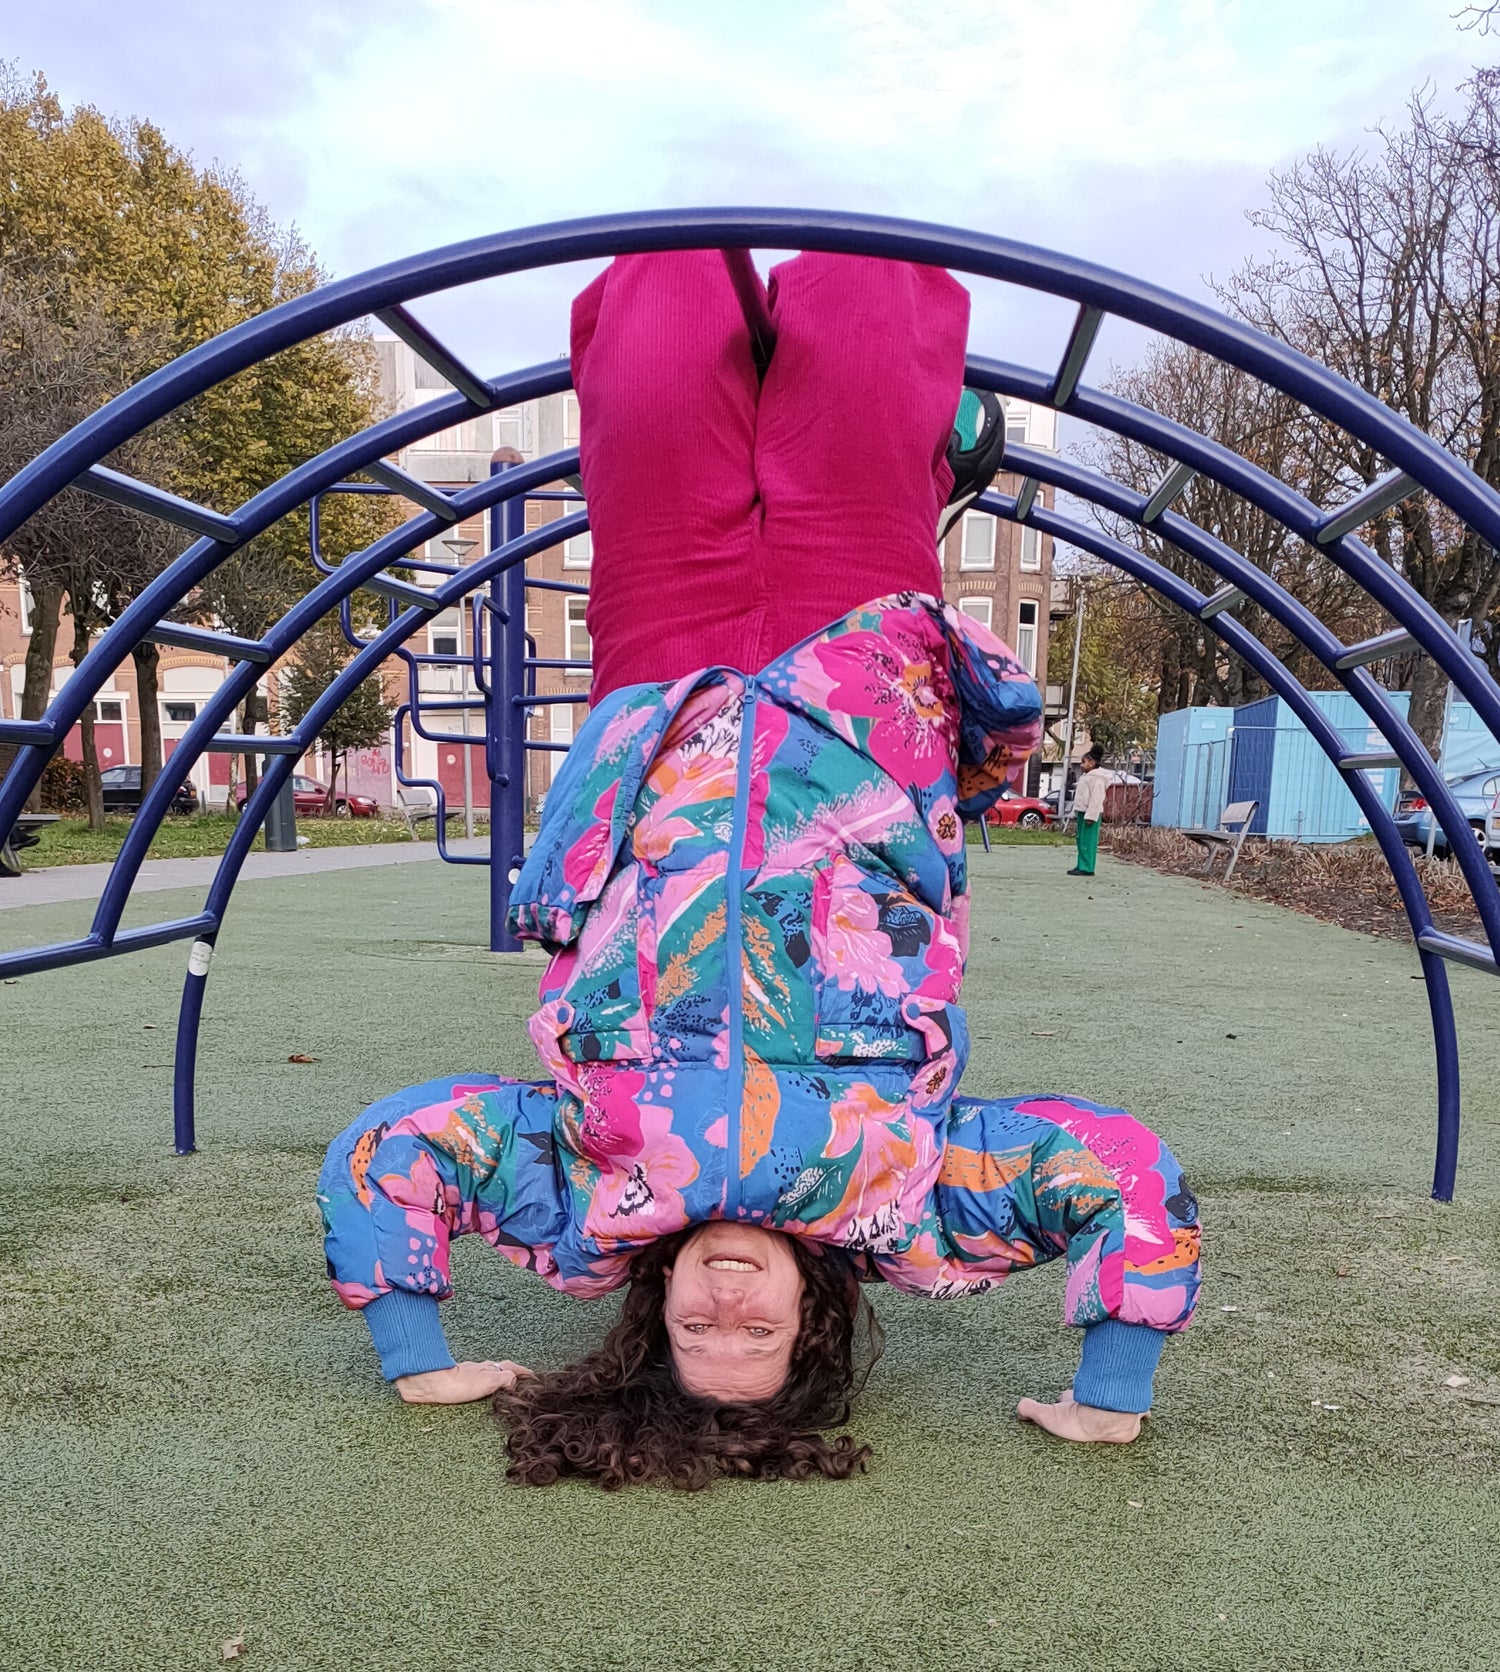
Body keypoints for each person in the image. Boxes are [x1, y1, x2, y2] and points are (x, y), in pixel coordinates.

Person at [319, 252, 1201, 1488]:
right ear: (815, 1315)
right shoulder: (909, 1209)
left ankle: (917, 432)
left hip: (664, 671)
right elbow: (1123, 1167)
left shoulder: (582, 1203)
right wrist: (1114, 1392)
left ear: (654, 1312)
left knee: (661, 320)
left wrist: (417, 1359)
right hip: (860, 679)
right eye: (759, 1331)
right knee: (863, 298)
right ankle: (928, 443)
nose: (729, 1301)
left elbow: (388, 1148)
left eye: (698, 1330)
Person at [1067, 743, 1116, 877]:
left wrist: (1091, 816)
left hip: (1090, 814)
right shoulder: (1087, 777)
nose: (1081, 765)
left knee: (1088, 840)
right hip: (1083, 812)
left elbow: (1096, 799)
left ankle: (1087, 867)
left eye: (1083, 762)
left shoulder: (1097, 779)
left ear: (1091, 762)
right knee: (1081, 839)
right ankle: (1081, 864)